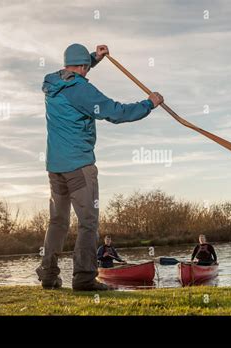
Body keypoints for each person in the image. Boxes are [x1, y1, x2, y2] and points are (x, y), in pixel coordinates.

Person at [36, 43, 164, 291]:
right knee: (88, 223)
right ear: (83, 67)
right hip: (79, 167)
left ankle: (49, 275)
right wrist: (149, 104)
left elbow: (75, 72)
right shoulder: (81, 90)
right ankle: (83, 278)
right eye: (87, 66)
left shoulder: (52, 82)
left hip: (55, 167)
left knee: (58, 222)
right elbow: (115, 112)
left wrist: (95, 58)